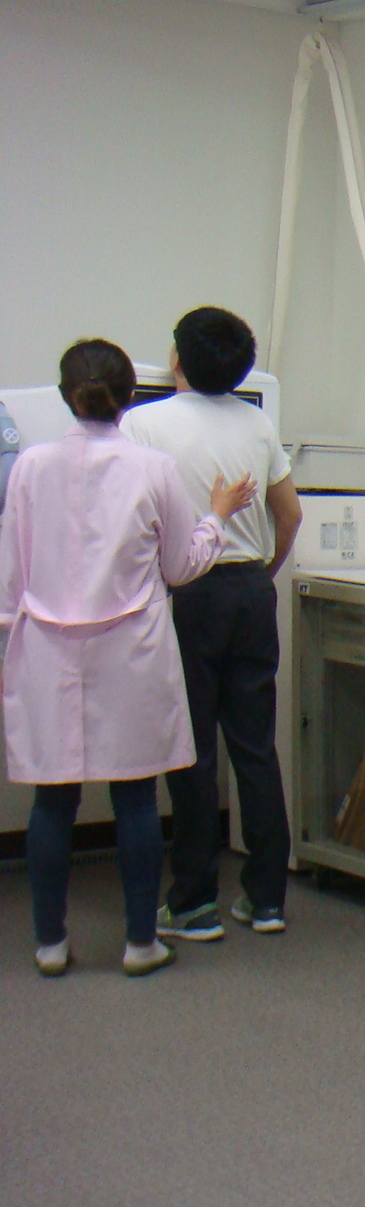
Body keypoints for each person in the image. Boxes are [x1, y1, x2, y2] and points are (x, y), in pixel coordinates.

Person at [0, 339, 253, 976]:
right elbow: (182, 567)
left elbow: (11, 578)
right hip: (130, 653)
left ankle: (50, 944)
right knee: (136, 799)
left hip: (47, 653)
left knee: (52, 802)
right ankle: (141, 943)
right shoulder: (153, 469)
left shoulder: (29, 467)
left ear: (65, 396)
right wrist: (218, 517)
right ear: (130, 397)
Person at [122, 306, 300, 940]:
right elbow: (290, 515)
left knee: (191, 748)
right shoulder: (258, 423)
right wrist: (262, 573)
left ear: (176, 358)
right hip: (252, 590)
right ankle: (267, 900)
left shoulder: (143, 423)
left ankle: (195, 901)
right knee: (254, 747)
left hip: (189, 594)